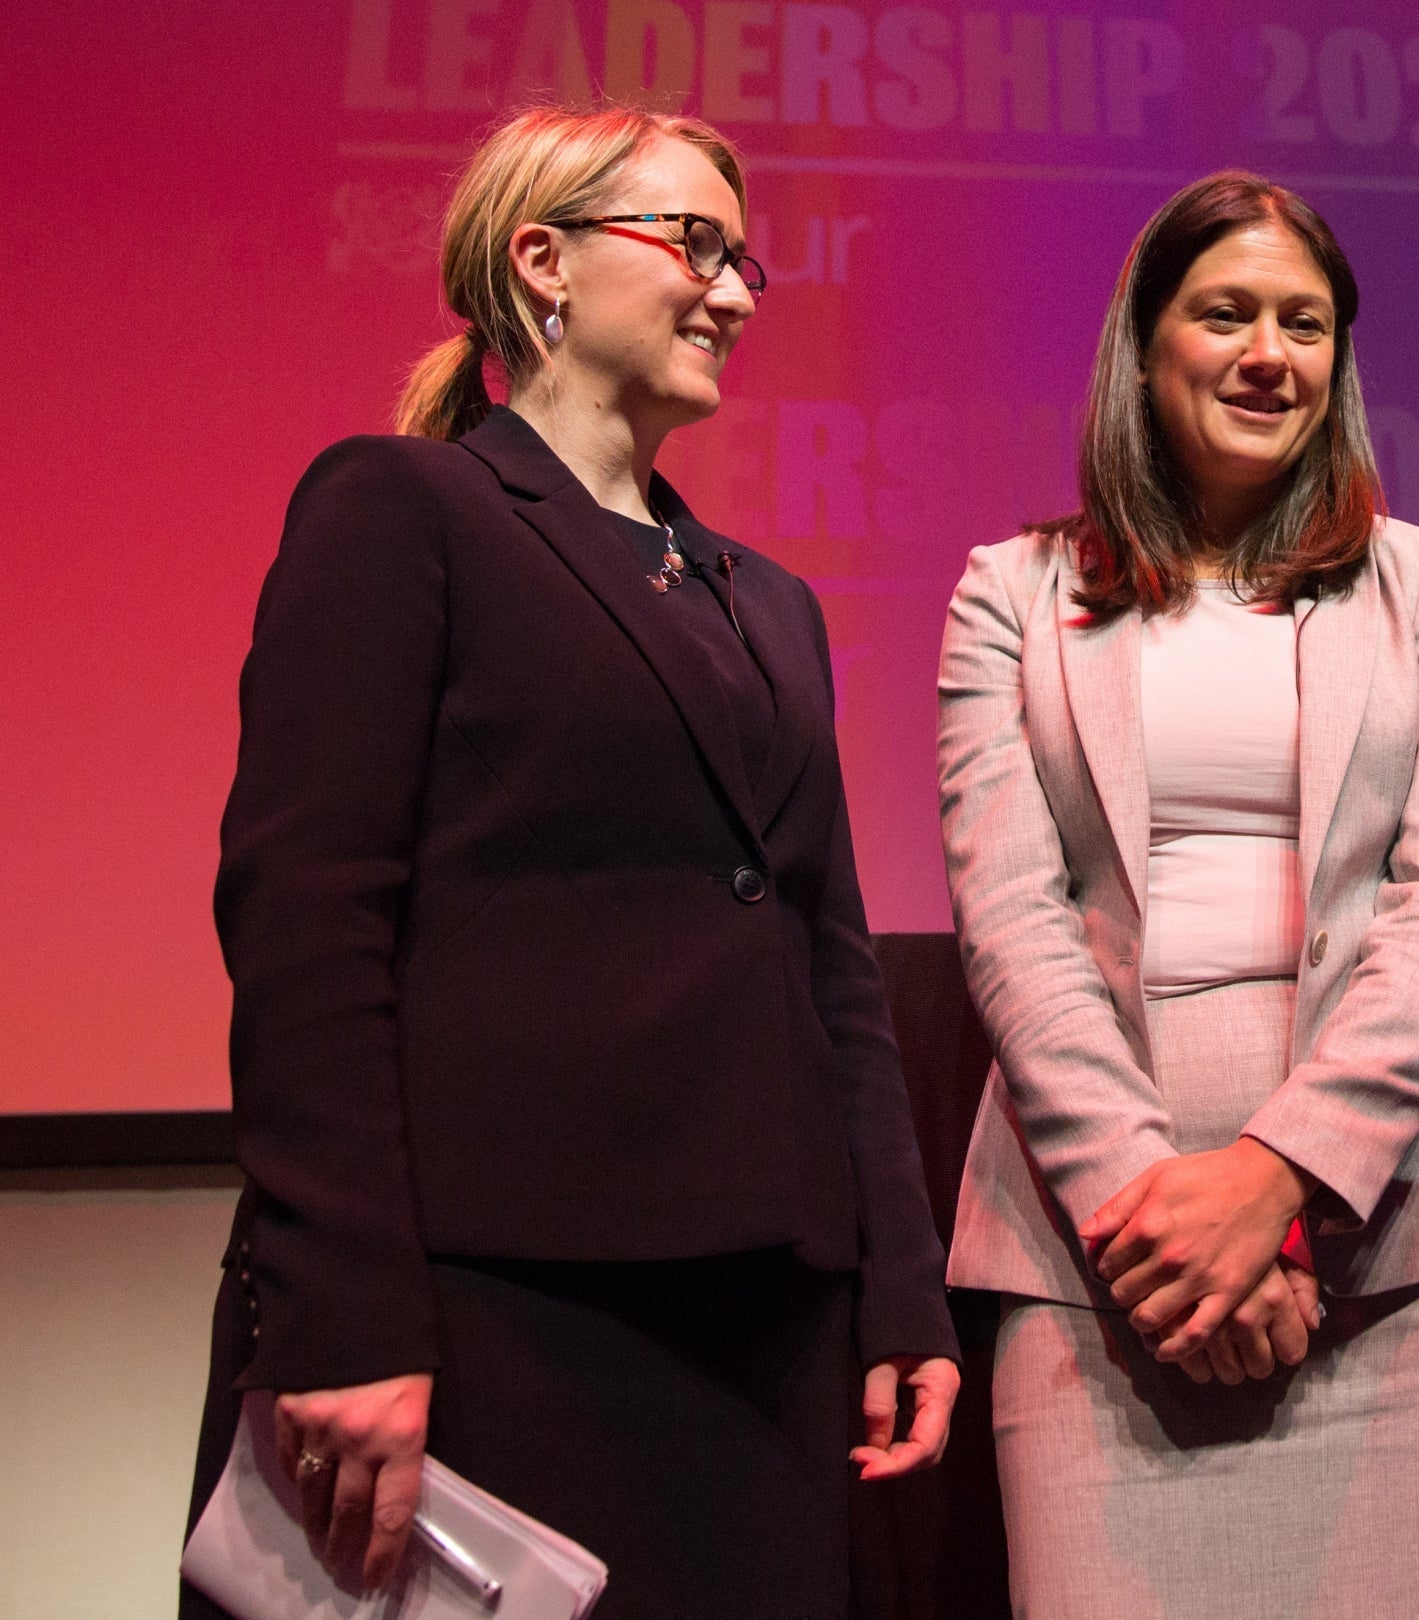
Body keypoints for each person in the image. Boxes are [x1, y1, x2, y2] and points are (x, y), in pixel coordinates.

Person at [181, 105, 958, 1620]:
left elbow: (833, 970)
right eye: (695, 245)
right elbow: (307, 927)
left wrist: (897, 1286)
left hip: (760, 1339)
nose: (734, 293)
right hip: (489, 1318)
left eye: (747, 263)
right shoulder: (404, 507)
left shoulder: (774, 603)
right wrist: (343, 1310)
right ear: (541, 261)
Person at [936, 170, 1419, 1618]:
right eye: (1226, 314)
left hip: (1398, 1228)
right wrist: (1155, 1221)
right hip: (1106, 1257)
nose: (1268, 354)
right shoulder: (1008, 594)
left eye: (1306, 323)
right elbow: (1013, 920)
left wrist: (1282, 1182)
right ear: (1145, 346)